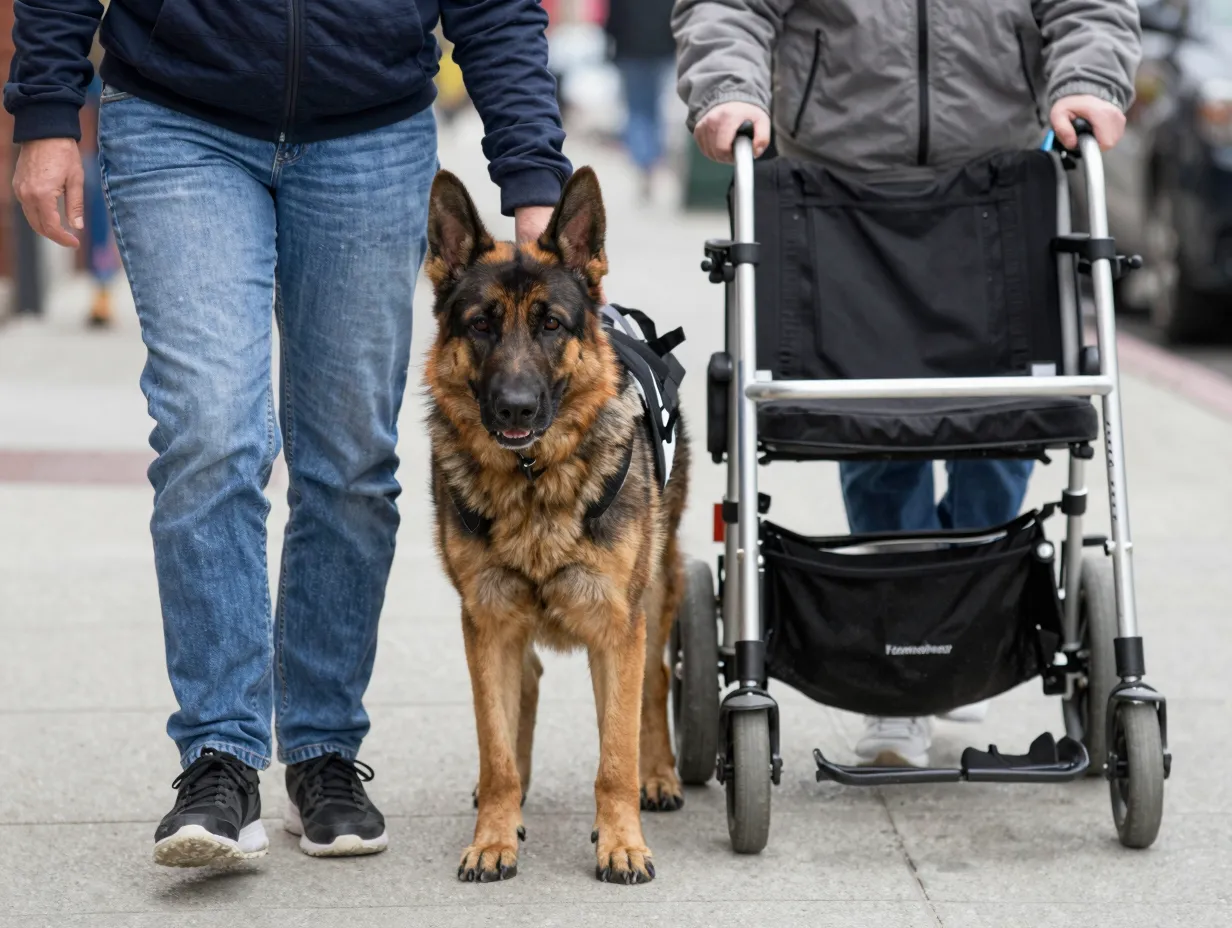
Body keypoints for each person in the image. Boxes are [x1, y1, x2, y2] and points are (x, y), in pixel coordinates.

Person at [7, 0, 570, 865]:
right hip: (177, 113)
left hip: (368, 134)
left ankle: (322, 750)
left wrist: (533, 176)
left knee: (351, 461)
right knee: (209, 432)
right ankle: (219, 757)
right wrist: (46, 111)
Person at [674, 0, 1139, 767]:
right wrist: (729, 88)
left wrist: (1087, 80)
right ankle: (901, 676)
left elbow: (1089, 5)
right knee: (870, 423)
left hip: (995, 181)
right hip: (839, 183)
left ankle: (957, 627)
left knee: (1005, 421)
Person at [605, 0, 677, 200]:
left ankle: (644, 163)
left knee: (636, 109)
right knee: (654, 109)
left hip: (631, 50)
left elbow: (613, 20)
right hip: (660, 50)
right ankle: (652, 160)